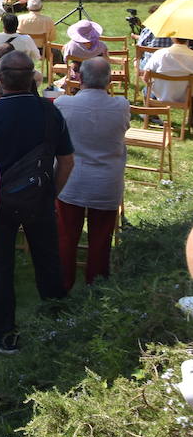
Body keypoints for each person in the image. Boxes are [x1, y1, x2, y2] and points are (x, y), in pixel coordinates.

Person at [0, 52, 74, 354]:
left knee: (0, 266)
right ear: (32, 80)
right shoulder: (49, 111)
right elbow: (66, 161)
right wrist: (52, 192)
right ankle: (56, 324)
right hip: (39, 196)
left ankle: (3, 331)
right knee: (47, 261)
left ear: (0, 79)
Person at [54, 58, 128, 290]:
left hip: (72, 181)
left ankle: (63, 283)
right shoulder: (121, 105)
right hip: (106, 181)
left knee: (66, 235)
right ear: (109, 80)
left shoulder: (64, 103)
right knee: (100, 238)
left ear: (80, 78)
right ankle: (95, 285)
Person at [143, 37, 193, 110]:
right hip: (186, 98)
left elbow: (146, 77)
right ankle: (190, 120)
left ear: (172, 38)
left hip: (159, 96)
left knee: (146, 90)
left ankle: (151, 114)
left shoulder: (160, 54)